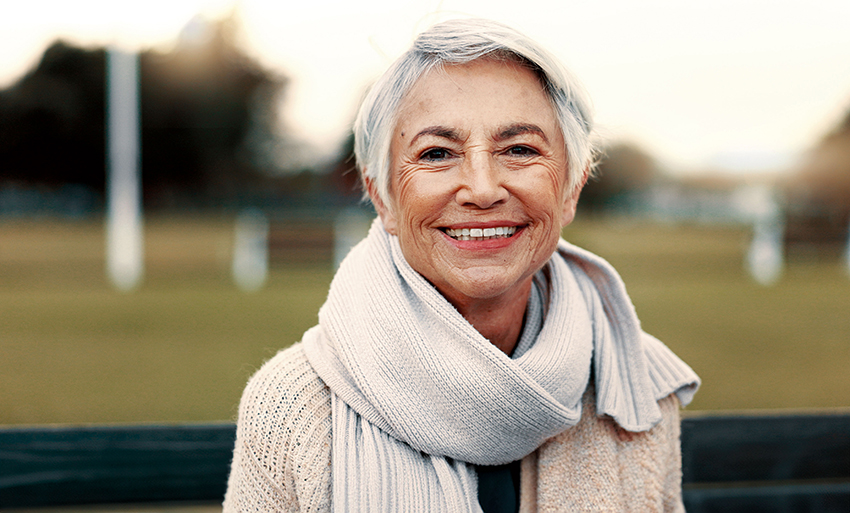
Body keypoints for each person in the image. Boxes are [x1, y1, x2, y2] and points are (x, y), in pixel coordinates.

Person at [223, 17, 699, 513]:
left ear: (571, 189)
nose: (482, 188)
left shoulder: (635, 387)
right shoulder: (293, 409)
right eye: (437, 153)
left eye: (519, 149)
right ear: (381, 197)